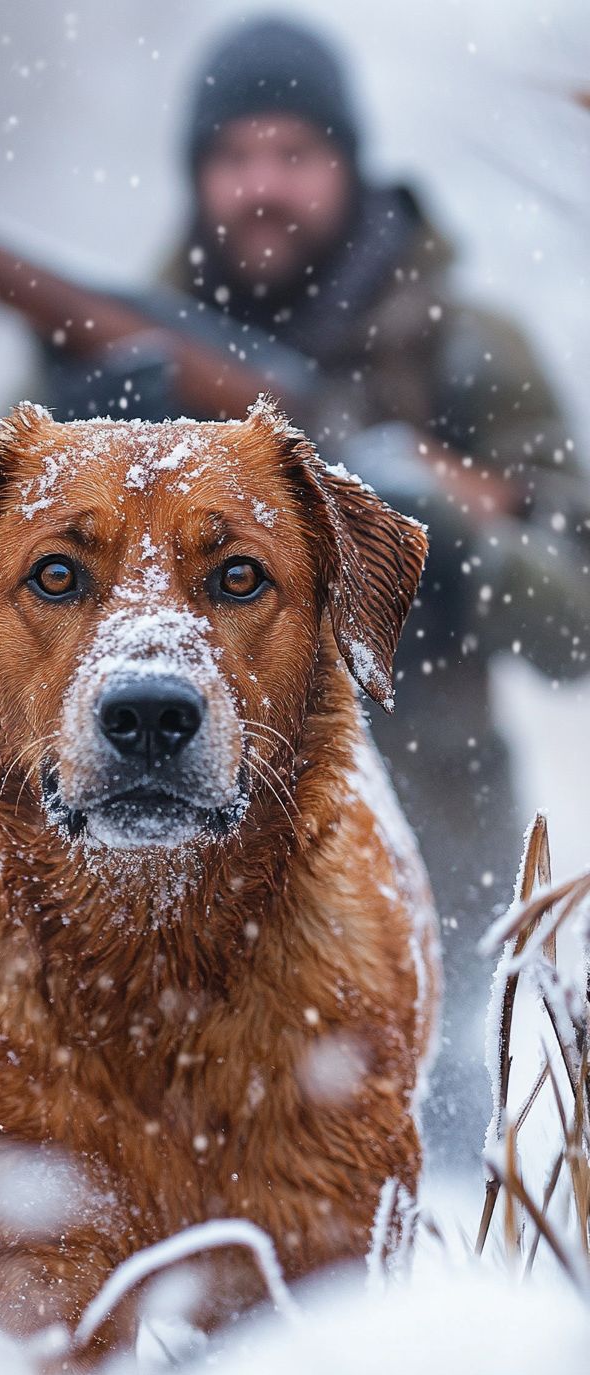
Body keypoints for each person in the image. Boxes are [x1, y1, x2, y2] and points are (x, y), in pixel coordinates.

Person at [38, 17, 590, 1166]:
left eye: (294, 154)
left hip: (434, 849)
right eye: (234, 158)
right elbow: (2, 593)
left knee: (432, 1195)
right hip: (171, 878)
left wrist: (443, 551)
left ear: (348, 162)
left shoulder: (469, 354)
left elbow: (578, 620)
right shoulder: (124, 350)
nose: (262, 186)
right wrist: (77, 420)